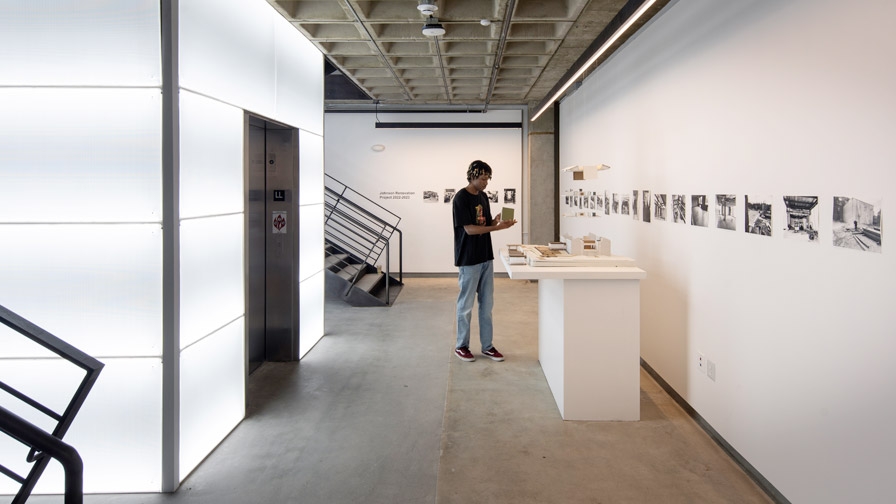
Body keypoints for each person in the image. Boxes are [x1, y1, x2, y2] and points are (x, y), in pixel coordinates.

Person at [452, 160, 517, 362]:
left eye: (488, 178)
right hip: (469, 259)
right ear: (472, 176)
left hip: (485, 258)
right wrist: (497, 228)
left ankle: (487, 346)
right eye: (483, 178)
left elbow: (484, 224)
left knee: (487, 306)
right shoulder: (460, 198)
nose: (486, 182)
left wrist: (497, 221)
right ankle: (461, 346)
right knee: (465, 306)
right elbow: (470, 229)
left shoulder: (483, 196)